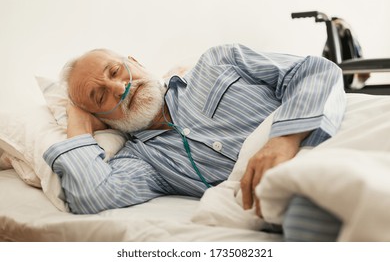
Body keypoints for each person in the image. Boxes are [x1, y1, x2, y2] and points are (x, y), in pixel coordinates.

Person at [43, 43, 346, 241]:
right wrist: (78, 121)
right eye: (100, 97)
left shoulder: (219, 61)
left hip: (342, 141)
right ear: (101, 118)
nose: (120, 88)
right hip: (298, 198)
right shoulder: (144, 161)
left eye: (115, 71)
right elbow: (92, 195)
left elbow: (315, 70)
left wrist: (283, 140)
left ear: (135, 60)